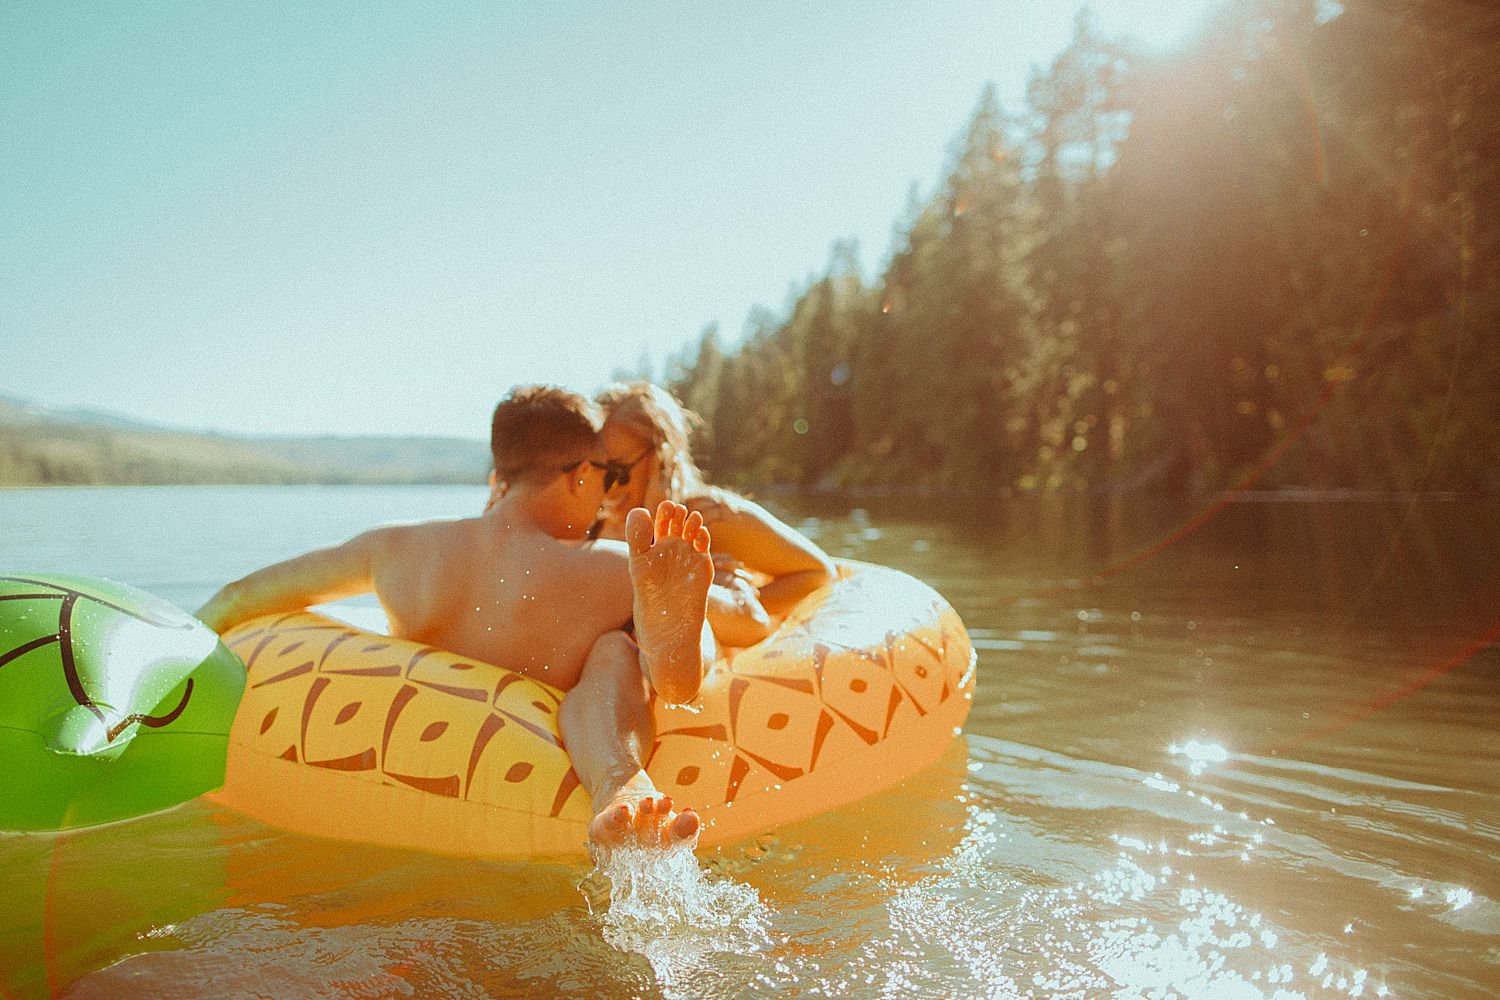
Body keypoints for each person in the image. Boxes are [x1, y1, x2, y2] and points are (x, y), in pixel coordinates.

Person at [195, 385, 711, 856]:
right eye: (607, 477)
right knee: (615, 654)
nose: (606, 497)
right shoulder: (607, 568)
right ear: (580, 475)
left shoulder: (397, 547)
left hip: (403, 785)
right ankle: (619, 781)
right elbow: (701, 672)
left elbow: (241, 595)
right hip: (535, 791)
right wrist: (681, 631)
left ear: (502, 474)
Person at [595, 381, 836, 647]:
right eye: (594, 472)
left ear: (661, 458)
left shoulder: (707, 518)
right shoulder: (593, 522)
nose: (604, 492)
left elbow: (818, 573)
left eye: (617, 473)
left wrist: (726, 600)